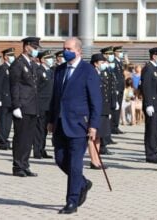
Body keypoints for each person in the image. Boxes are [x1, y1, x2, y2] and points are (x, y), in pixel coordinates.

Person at [48, 37, 102, 214]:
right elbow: (55, 97)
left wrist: (93, 125)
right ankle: (83, 183)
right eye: (64, 48)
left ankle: (72, 201)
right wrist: (50, 120)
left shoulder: (87, 71)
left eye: (69, 48)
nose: (65, 51)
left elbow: (96, 100)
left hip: (80, 125)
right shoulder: (60, 70)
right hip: (60, 123)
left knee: (75, 163)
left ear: (78, 51)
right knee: (60, 159)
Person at [10, 37, 41, 177]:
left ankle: (25, 164)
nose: (36, 50)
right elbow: (14, 85)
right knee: (20, 137)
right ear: (26, 46)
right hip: (22, 105)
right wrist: (16, 105)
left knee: (28, 138)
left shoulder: (32, 64)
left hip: (32, 106)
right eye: (34, 47)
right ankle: (17, 166)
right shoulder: (18, 64)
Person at [89, 53, 113, 169]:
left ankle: (97, 159)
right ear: (95, 63)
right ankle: (93, 160)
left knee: (99, 136)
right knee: (92, 136)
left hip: (103, 109)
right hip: (95, 110)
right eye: (101, 63)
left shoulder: (102, 74)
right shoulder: (92, 74)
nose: (104, 65)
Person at [141, 47, 157, 164]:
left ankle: (153, 150)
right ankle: (150, 154)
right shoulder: (148, 69)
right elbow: (146, 87)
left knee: (156, 131)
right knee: (151, 130)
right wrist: (148, 103)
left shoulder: (156, 68)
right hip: (152, 105)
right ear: (154, 56)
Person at [33, 50, 54, 159]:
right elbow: (35, 90)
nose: (51, 60)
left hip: (49, 105)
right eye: (48, 58)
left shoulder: (50, 71)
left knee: (45, 129)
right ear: (42, 60)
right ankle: (37, 150)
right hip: (40, 105)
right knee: (39, 129)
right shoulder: (38, 71)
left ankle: (42, 149)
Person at [0, 48, 15, 150]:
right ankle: (2, 142)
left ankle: (6, 139)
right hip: (3, 99)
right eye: (10, 55)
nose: (12, 57)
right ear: (6, 57)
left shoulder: (12, 68)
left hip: (10, 99)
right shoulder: (2, 68)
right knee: (2, 122)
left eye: (13, 55)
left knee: (8, 123)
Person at [111, 46, 125, 134]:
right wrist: (115, 88)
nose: (121, 53)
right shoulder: (113, 62)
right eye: (119, 51)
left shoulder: (120, 62)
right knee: (115, 108)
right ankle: (113, 126)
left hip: (121, 87)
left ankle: (116, 125)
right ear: (115, 52)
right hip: (116, 88)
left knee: (118, 107)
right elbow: (113, 76)